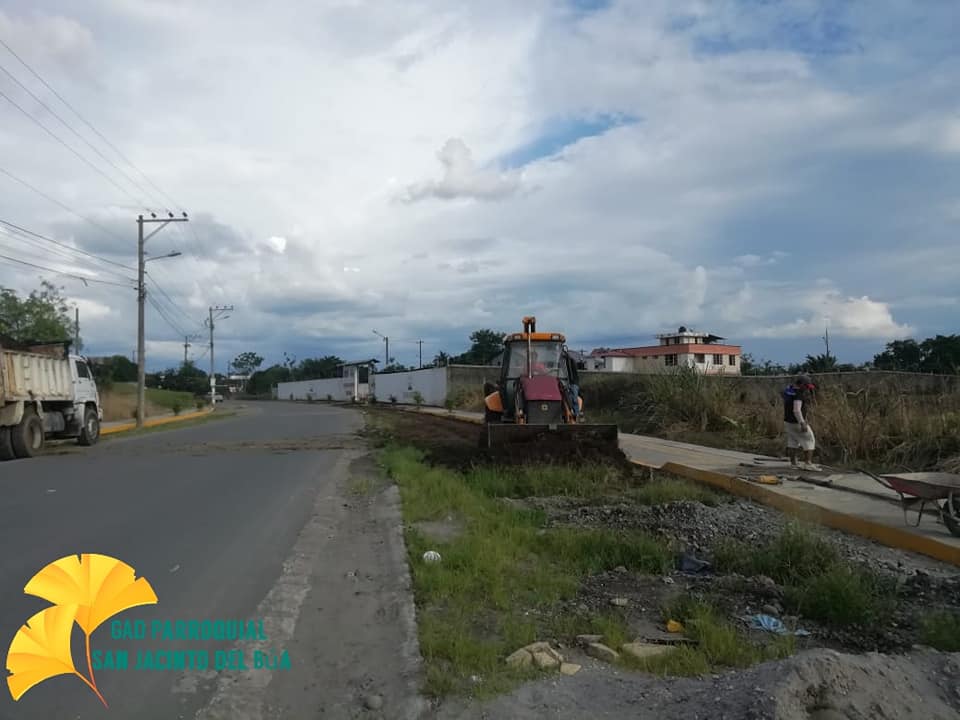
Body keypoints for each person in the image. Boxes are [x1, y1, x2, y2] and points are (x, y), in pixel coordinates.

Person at [783, 374, 819, 471]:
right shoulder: (798, 394)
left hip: (788, 421)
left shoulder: (789, 391)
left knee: (793, 441)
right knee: (809, 439)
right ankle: (808, 463)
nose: (807, 389)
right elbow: (796, 410)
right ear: (801, 384)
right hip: (797, 422)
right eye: (806, 386)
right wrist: (802, 422)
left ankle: (793, 463)